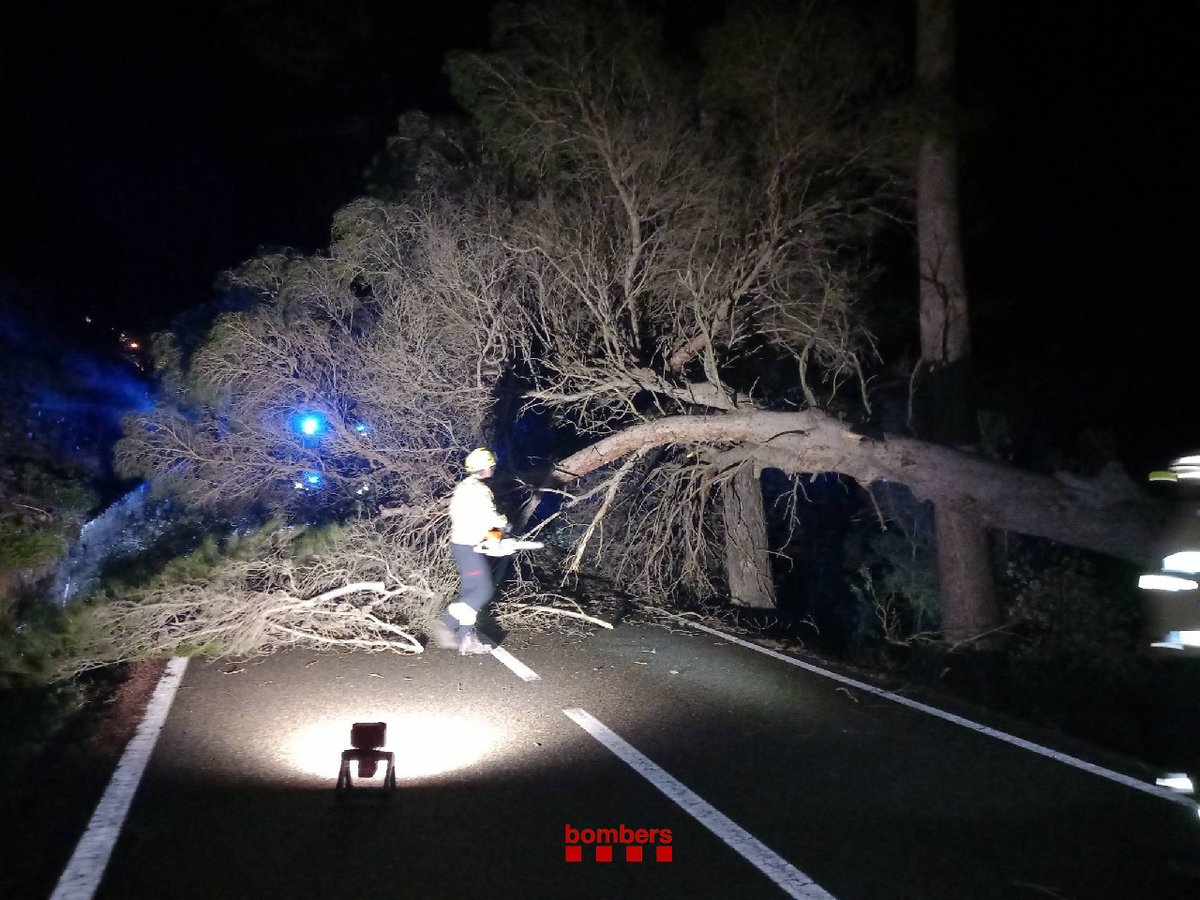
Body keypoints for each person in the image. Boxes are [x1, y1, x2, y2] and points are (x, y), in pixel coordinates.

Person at [433, 447, 508, 655]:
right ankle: (448, 622)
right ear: (485, 468)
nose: (493, 468)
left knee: (470, 592)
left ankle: (465, 638)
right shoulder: (479, 490)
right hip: (468, 546)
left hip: (461, 545)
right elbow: (491, 518)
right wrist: (502, 525)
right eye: (491, 465)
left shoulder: (463, 487)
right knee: (483, 591)